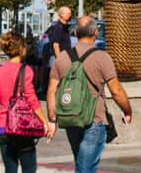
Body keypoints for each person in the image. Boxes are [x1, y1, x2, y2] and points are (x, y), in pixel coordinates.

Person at [47, 16, 133, 173]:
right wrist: (127, 111)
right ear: (95, 32)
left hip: (70, 117)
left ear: (75, 33)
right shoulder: (102, 57)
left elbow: (52, 90)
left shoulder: (62, 58)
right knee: (85, 168)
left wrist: (52, 119)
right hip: (95, 119)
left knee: (81, 164)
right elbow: (116, 90)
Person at [0, 31, 55, 173]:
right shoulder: (26, 70)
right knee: (29, 168)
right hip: (21, 127)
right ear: (22, 49)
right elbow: (32, 100)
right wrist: (44, 122)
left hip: (2, 128)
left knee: (10, 168)